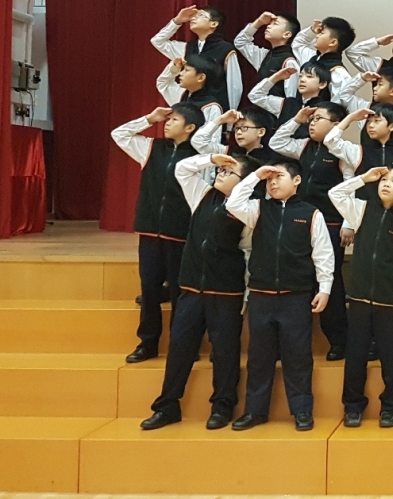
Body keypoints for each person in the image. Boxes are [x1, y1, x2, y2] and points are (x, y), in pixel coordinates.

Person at [141, 152, 261, 431]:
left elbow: (248, 253)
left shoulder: (250, 210)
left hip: (226, 291)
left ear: (245, 181)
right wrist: (212, 159)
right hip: (191, 288)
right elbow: (182, 169)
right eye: (221, 170)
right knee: (179, 348)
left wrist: (245, 295)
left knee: (225, 352)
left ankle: (222, 406)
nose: (221, 174)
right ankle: (167, 406)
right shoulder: (202, 194)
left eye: (229, 172)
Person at [225, 159, 336, 431]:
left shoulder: (311, 213)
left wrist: (325, 288)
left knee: (298, 357)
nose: (273, 182)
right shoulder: (258, 209)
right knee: (258, 358)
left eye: (279, 177)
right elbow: (233, 204)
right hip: (261, 295)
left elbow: (323, 254)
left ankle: (302, 411)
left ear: (297, 180)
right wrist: (255, 176)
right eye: (269, 179)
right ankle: (255, 411)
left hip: (296, 296)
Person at [111, 103, 205, 364]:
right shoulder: (151, 147)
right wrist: (149, 119)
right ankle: (148, 343)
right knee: (149, 289)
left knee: (180, 292)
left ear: (190, 127)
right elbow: (119, 134)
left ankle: (183, 345)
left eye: (174, 120)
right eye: (168, 119)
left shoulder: (200, 155)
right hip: (150, 230)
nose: (167, 123)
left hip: (182, 233)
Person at [329, 166, 393, 428]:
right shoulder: (362, 209)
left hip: (390, 301)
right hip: (359, 298)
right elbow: (335, 194)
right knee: (355, 356)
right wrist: (363, 179)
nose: (386, 184)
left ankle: (390, 407)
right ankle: (353, 406)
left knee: (391, 358)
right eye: (384, 180)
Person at [269, 103, 355, 361]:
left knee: (329, 281)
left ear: (335, 124)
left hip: (331, 223)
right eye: (312, 119)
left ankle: (339, 340)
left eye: (318, 119)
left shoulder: (343, 152)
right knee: (298, 276)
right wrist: (297, 118)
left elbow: (350, 187)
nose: (312, 123)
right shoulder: (304, 145)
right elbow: (276, 142)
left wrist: (348, 223)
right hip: (301, 220)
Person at [152, 5, 242, 110]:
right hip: (190, 105)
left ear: (214, 24)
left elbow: (234, 85)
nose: (193, 18)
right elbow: (157, 41)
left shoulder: (225, 49)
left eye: (200, 15)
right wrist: (177, 21)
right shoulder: (188, 47)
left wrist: (230, 113)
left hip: (215, 106)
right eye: (193, 16)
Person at [234, 11, 300, 99]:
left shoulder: (289, 61)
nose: (268, 26)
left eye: (275, 24)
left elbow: (291, 98)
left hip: (277, 107)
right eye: (269, 24)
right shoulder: (265, 55)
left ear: (287, 34)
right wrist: (259, 22)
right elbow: (240, 42)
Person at [291, 17, 357, 103]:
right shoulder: (312, 58)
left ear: (333, 42)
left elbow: (341, 103)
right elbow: (298, 44)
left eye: (321, 33)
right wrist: (312, 31)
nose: (317, 36)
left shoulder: (338, 72)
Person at [249, 62, 330, 131]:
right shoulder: (286, 103)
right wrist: (276, 77)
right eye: (300, 76)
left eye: (309, 76)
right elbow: (255, 96)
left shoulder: (324, 109)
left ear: (322, 84)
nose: (302, 80)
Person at [192, 106, 280, 163]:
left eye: (244, 127)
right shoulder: (230, 152)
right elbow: (198, 142)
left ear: (261, 132)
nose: (238, 132)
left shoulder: (269, 160)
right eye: (236, 128)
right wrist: (221, 120)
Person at [156, 56, 224, 125]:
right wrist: (174, 68)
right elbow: (163, 83)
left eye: (187, 70)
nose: (180, 73)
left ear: (201, 77)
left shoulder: (211, 107)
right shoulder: (183, 95)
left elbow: (213, 132)